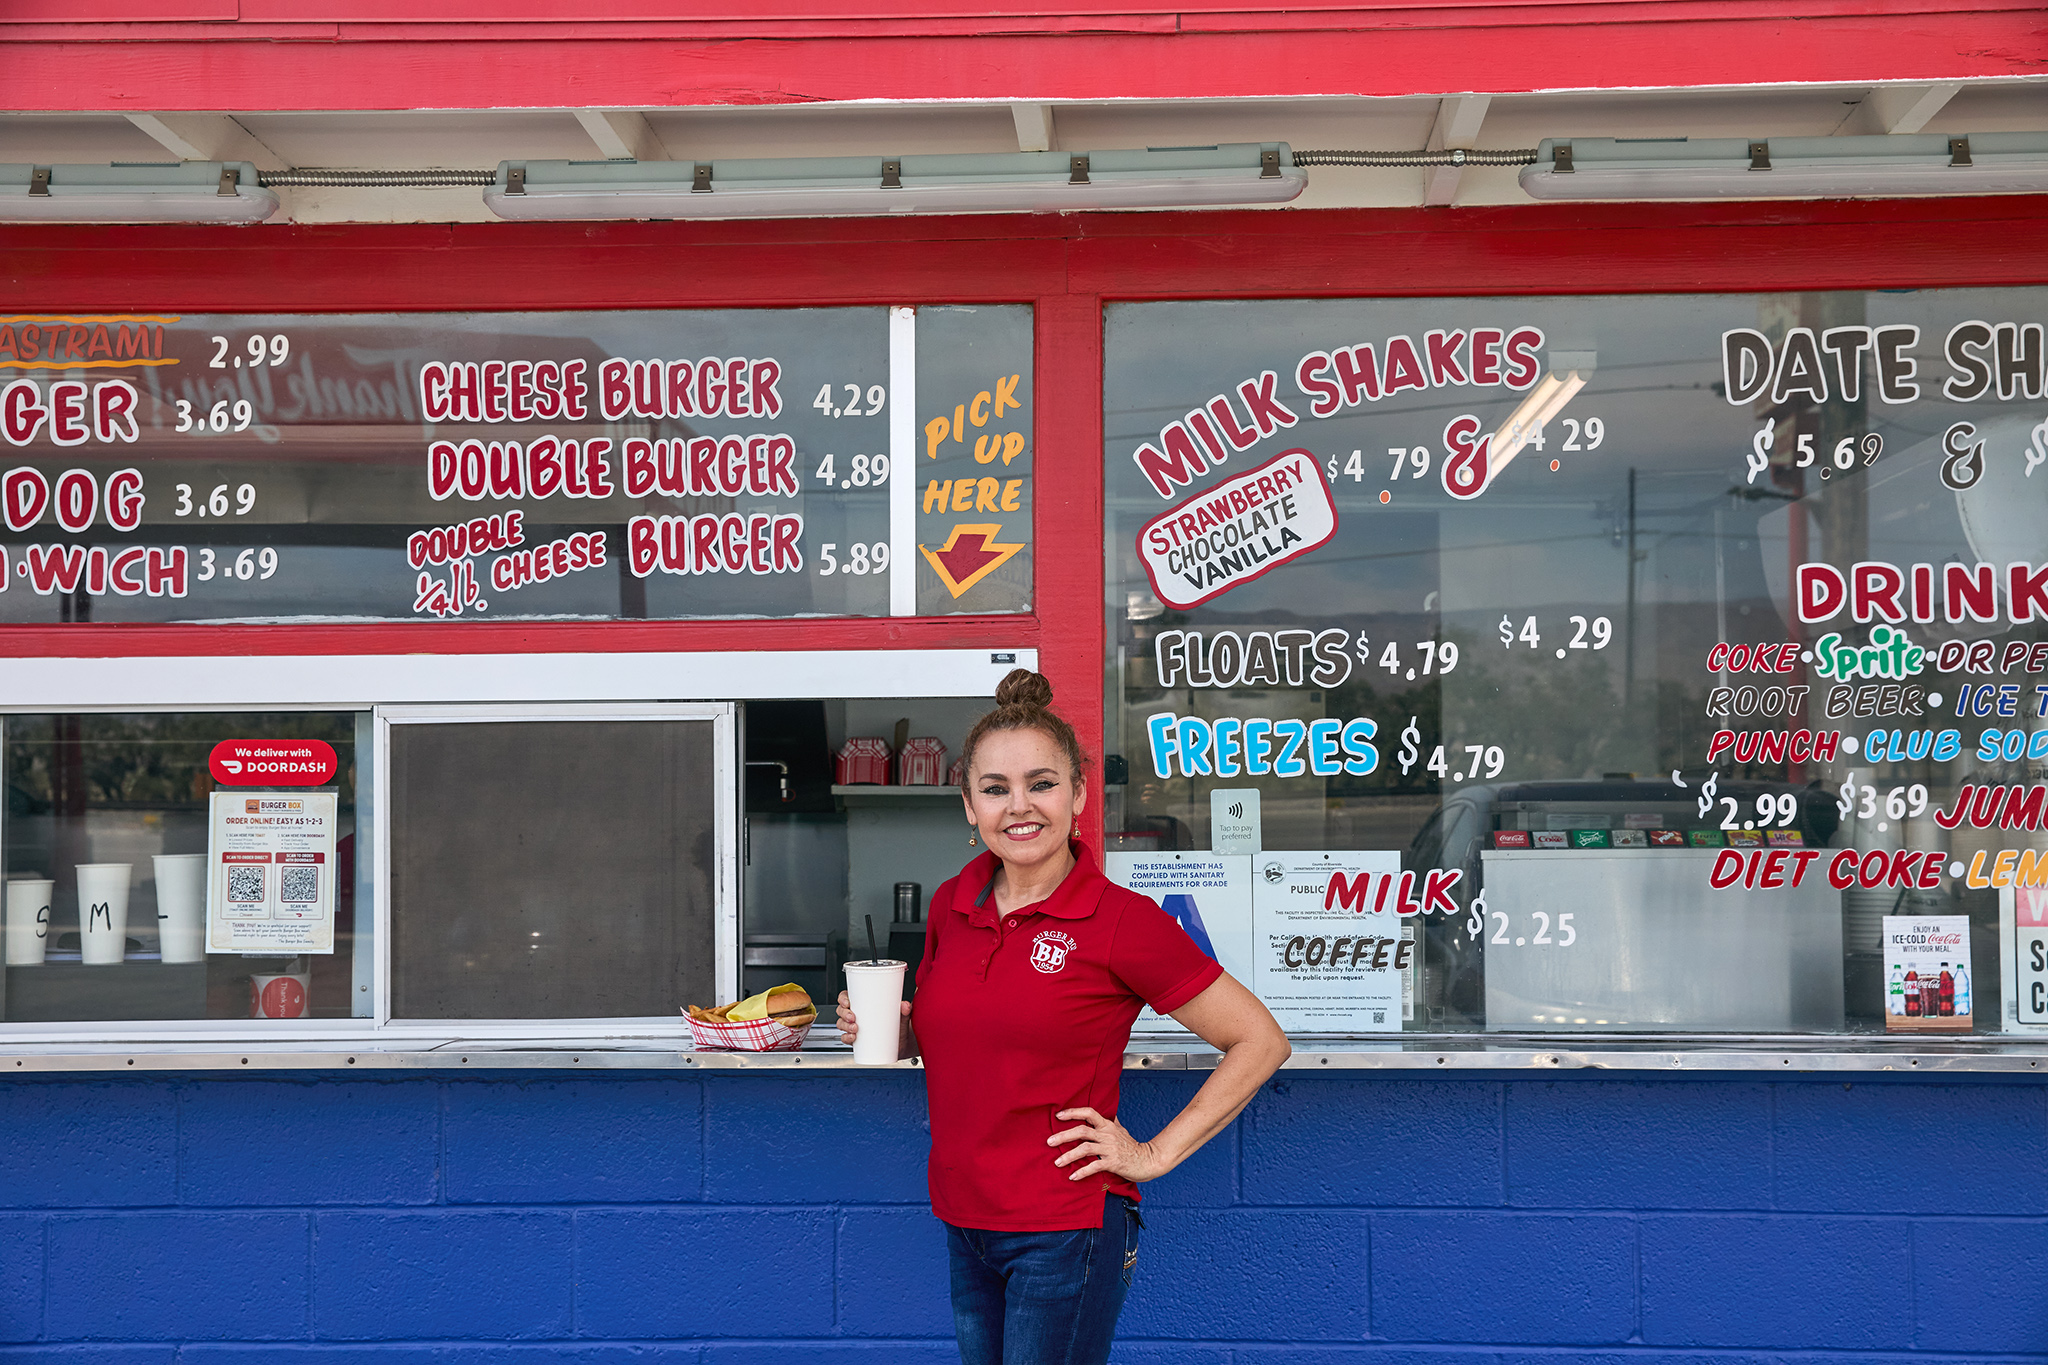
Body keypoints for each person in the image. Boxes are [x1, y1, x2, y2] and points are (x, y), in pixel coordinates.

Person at [837, 669, 1291, 1365]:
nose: (1020, 806)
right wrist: (889, 1030)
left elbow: (1259, 1039)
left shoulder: (1120, 921)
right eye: (996, 789)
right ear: (969, 806)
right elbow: (951, 1036)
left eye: (1041, 783)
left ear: (1078, 794)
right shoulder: (950, 906)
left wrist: (1151, 1154)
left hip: (1065, 1227)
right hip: (965, 1218)